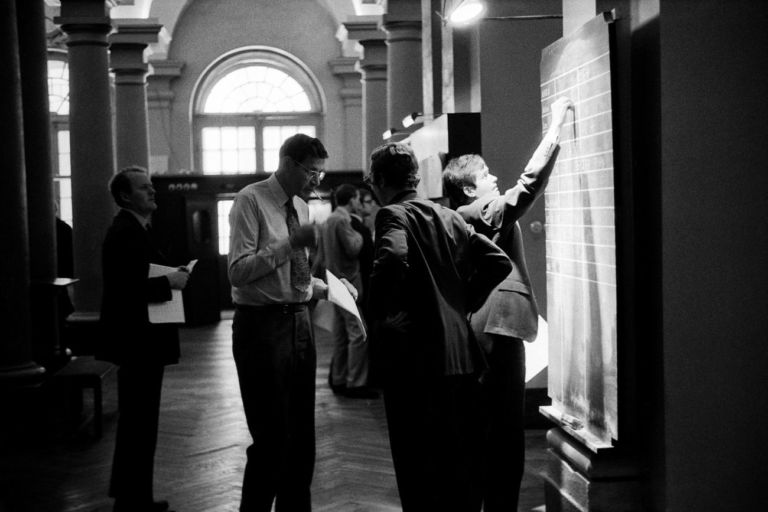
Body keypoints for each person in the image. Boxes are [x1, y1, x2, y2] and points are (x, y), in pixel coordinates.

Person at [442, 96, 574, 512]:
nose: (492, 176)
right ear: (468, 188)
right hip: (499, 330)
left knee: (487, 431)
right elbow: (527, 187)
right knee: (505, 436)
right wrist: (553, 131)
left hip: (482, 331)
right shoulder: (481, 211)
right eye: (484, 174)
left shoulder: (459, 215)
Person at [366, 142, 512, 511]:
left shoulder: (393, 214)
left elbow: (394, 258)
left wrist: (380, 312)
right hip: (463, 358)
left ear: (381, 181)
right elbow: (498, 261)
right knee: (458, 464)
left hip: (418, 361)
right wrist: (463, 302)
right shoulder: (450, 216)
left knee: (418, 469)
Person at [228, 133, 335, 512]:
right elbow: (239, 272)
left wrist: (324, 288)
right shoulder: (250, 200)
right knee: (271, 436)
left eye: (321, 174)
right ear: (288, 163)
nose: (317, 181)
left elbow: (293, 276)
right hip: (262, 328)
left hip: (299, 323)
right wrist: (290, 244)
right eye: (312, 172)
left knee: (302, 436)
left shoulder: (301, 207)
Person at [98, 166, 190, 512]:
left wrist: (170, 276)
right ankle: (131, 500)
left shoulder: (135, 228)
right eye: (144, 188)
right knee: (138, 424)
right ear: (125, 196)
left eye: (152, 186)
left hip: (142, 341)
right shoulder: (124, 231)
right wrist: (170, 283)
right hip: (138, 343)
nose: (153, 192)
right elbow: (125, 288)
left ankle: (133, 497)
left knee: (140, 424)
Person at [315, 184, 376, 398]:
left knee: (341, 335)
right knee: (358, 333)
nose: (359, 203)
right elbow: (353, 247)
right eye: (358, 199)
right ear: (351, 200)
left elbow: (320, 257)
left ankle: (339, 379)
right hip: (348, 283)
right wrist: (362, 233)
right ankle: (356, 383)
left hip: (332, 281)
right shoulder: (343, 220)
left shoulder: (327, 221)